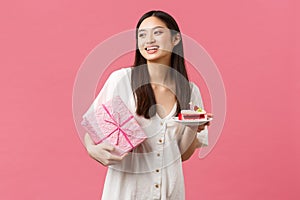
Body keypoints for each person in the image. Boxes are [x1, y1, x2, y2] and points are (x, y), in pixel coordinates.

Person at [83, 10, 212, 200]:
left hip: (170, 193)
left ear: (175, 39)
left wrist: (192, 128)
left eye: (157, 32)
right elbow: (93, 127)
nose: (148, 40)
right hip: (126, 193)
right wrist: (92, 149)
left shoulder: (191, 92)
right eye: (142, 35)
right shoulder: (122, 80)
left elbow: (182, 155)